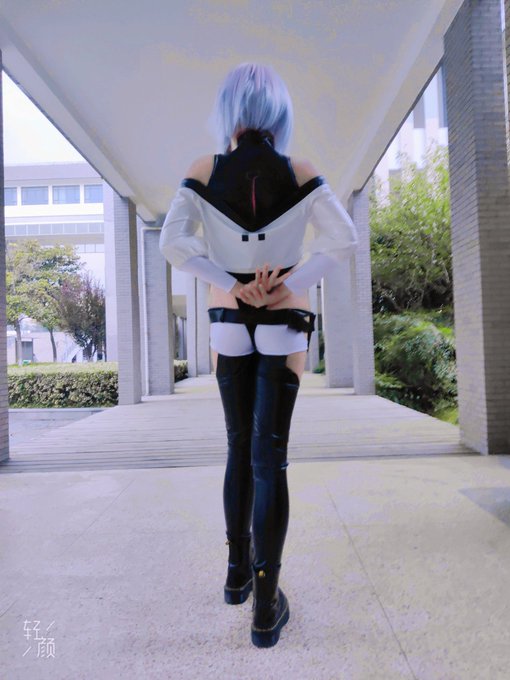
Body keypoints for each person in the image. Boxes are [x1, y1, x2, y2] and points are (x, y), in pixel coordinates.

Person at [159, 62, 358, 648]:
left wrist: (231, 282)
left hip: (227, 319)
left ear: (229, 111)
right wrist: (288, 281)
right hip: (284, 317)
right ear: (279, 113)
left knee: (237, 448)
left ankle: (235, 575)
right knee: (271, 458)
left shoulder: (204, 169)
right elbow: (343, 239)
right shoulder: (300, 170)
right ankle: (266, 608)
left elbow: (173, 243)